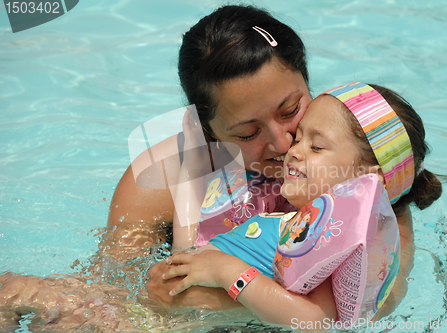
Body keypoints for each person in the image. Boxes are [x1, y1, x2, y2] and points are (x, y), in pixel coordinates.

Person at [146, 82, 444, 327]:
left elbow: (316, 321)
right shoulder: (299, 221)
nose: (293, 151)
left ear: (367, 178)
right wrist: (190, 172)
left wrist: (227, 272)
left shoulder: (332, 238)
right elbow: (187, 255)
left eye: (316, 146)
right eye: (299, 138)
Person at [106, 5, 312, 254]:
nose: (282, 144)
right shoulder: (158, 181)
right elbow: (117, 287)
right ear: (206, 129)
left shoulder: (351, 141)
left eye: (290, 110)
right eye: (248, 133)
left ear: (303, 70)